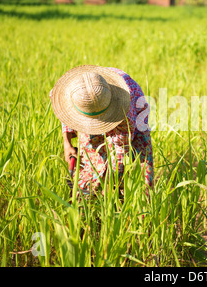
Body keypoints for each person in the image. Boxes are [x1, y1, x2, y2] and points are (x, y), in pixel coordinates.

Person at [49, 65, 153, 196]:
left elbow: (122, 150)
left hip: (131, 119)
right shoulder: (73, 90)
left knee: (137, 168)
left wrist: (110, 183)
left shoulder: (125, 114)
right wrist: (67, 141)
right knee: (89, 159)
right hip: (95, 103)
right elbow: (65, 110)